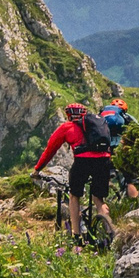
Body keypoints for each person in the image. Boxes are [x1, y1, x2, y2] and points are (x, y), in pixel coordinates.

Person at [32, 102, 118, 246]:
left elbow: (50, 150)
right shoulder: (97, 124)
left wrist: (37, 169)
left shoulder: (67, 127)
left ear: (69, 115)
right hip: (103, 160)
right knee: (98, 199)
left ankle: (76, 235)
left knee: (74, 196)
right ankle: (110, 232)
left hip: (82, 162)